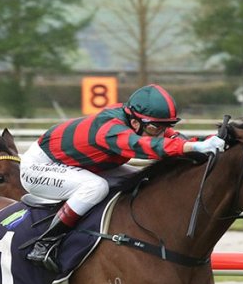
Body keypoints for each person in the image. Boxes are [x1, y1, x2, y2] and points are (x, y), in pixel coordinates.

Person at [20, 83, 226, 272]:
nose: (161, 132)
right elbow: (146, 147)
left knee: (142, 179)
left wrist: (207, 141)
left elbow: (173, 138)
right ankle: (45, 243)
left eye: (165, 126)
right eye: (156, 128)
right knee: (95, 187)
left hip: (80, 164)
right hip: (39, 167)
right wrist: (193, 147)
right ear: (135, 121)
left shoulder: (139, 120)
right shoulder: (109, 129)